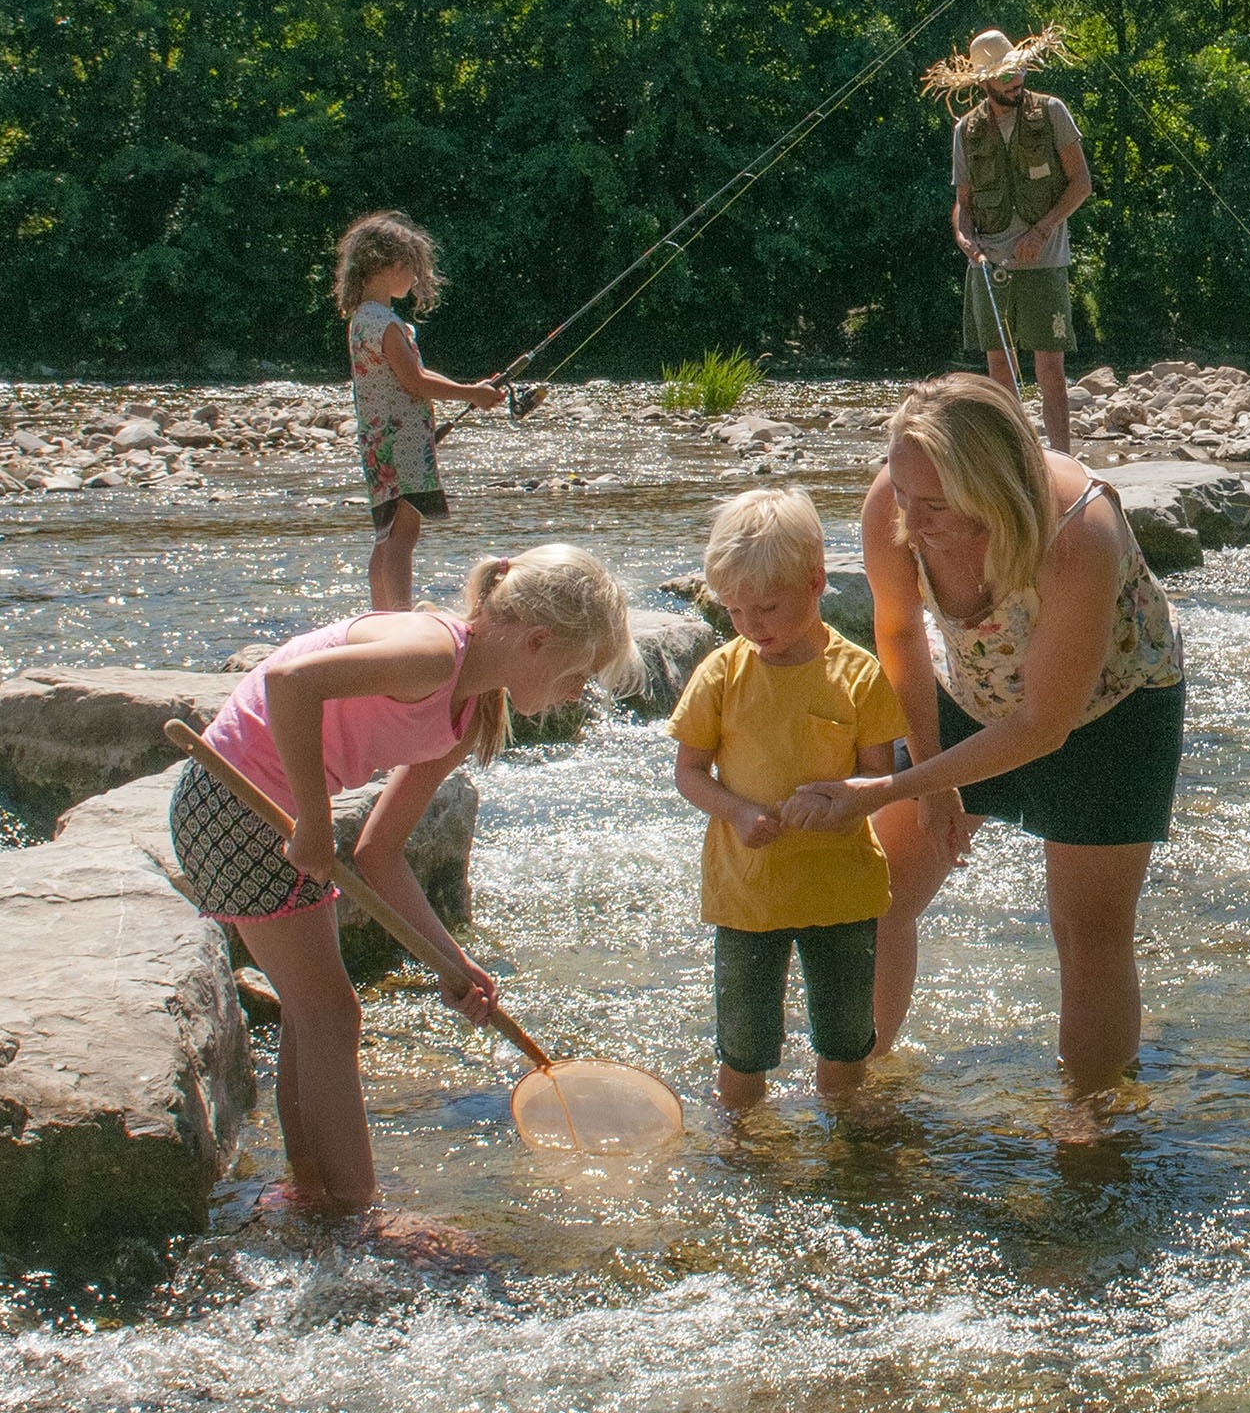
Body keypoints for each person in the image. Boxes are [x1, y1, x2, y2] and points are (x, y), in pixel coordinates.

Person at [169, 543, 642, 1214]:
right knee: (330, 1012)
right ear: (536, 642)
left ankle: (310, 1196)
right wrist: (310, 814)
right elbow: (290, 685)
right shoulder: (432, 653)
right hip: (232, 797)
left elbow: (380, 850)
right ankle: (357, 1212)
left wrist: (453, 962)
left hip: (263, 811)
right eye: (578, 676)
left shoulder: (464, 715)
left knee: (315, 1014)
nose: (577, 693)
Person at [781, 373, 1185, 1112]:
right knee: (881, 891)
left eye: (934, 505)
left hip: (1113, 706)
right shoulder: (893, 504)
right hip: (969, 689)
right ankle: (856, 1092)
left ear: (995, 490)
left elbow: (1045, 724)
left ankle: (1093, 1125)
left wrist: (893, 787)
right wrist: (930, 781)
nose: (910, 518)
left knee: (1088, 932)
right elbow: (900, 632)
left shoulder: (1078, 532)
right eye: (902, 491)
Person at [668, 487, 909, 1112]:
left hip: (841, 891)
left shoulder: (857, 673)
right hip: (747, 894)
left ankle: (848, 1142)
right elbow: (690, 772)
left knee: (846, 1043)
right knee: (742, 1049)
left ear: (816, 583)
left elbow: (877, 778)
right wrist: (738, 811)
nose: (753, 627)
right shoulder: (721, 672)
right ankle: (744, 1148)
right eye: (735, 611)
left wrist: (844, 804)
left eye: (768, 608)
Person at [333, 211, 506, 610]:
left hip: (380, 441)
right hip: (402, 441)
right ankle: (397, 620)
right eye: (413, 270)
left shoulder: (363, 320)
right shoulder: (386, 325)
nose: (415, 281)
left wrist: (473, 390)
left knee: (386, 532)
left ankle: (382, 616)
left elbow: (418, 373)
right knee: (403, 534)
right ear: (392, 266)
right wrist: (470, 395)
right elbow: (414, 382)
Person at [945, 27, 1092, 451]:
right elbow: (964, 203)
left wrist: (1042, 230)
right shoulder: (966, 130)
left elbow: (1081, 183)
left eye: (1017, 70)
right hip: (990, 264)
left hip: (1045, 260)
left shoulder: (1052, 112)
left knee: (1049, 369)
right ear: (984, 81)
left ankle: (1063, 459)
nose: (1015, 79)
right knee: (999, 367)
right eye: (1004, 75)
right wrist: (963, 236)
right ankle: (1016, 457)